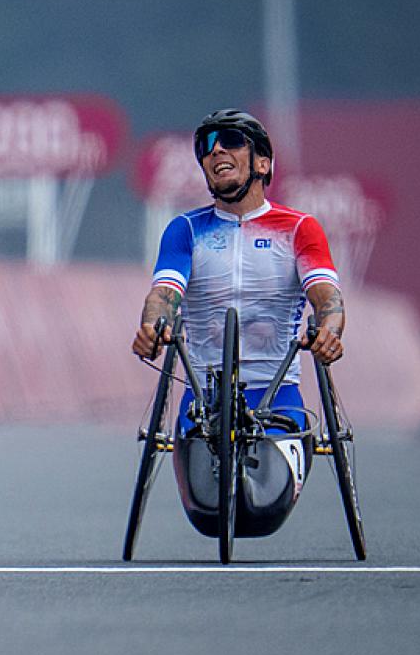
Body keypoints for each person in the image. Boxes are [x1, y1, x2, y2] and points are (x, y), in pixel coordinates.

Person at [130, 109, 345, 538]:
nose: (216, 151)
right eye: (206, 146)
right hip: (205, 398)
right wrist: (153, 327)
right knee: (211, 517)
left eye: (229, 140)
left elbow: (325, 295)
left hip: (277, 392)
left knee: (258, 513)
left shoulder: (300, 228)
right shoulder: (184, 229)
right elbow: (164, 294)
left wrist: (330, 329)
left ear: (262, 163)